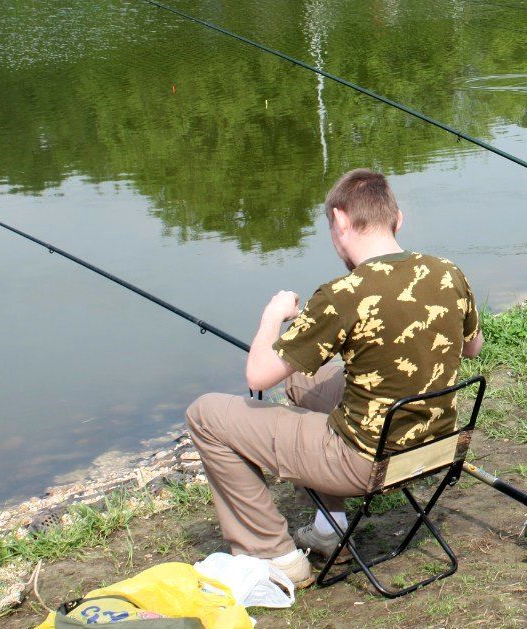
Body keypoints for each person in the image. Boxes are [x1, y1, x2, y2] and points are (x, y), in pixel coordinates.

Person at [185, 169, 483, 586]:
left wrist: (273, 316)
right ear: (397, 218)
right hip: (433, 446)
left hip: (365, 462)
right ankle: (331, 527)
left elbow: (257, 374)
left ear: (341, 220)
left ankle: (274, 556)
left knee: (206, 414)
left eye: (331, 227)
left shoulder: (344, 293)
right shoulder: (449, 272)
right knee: (301, 382)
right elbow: (472, 348)